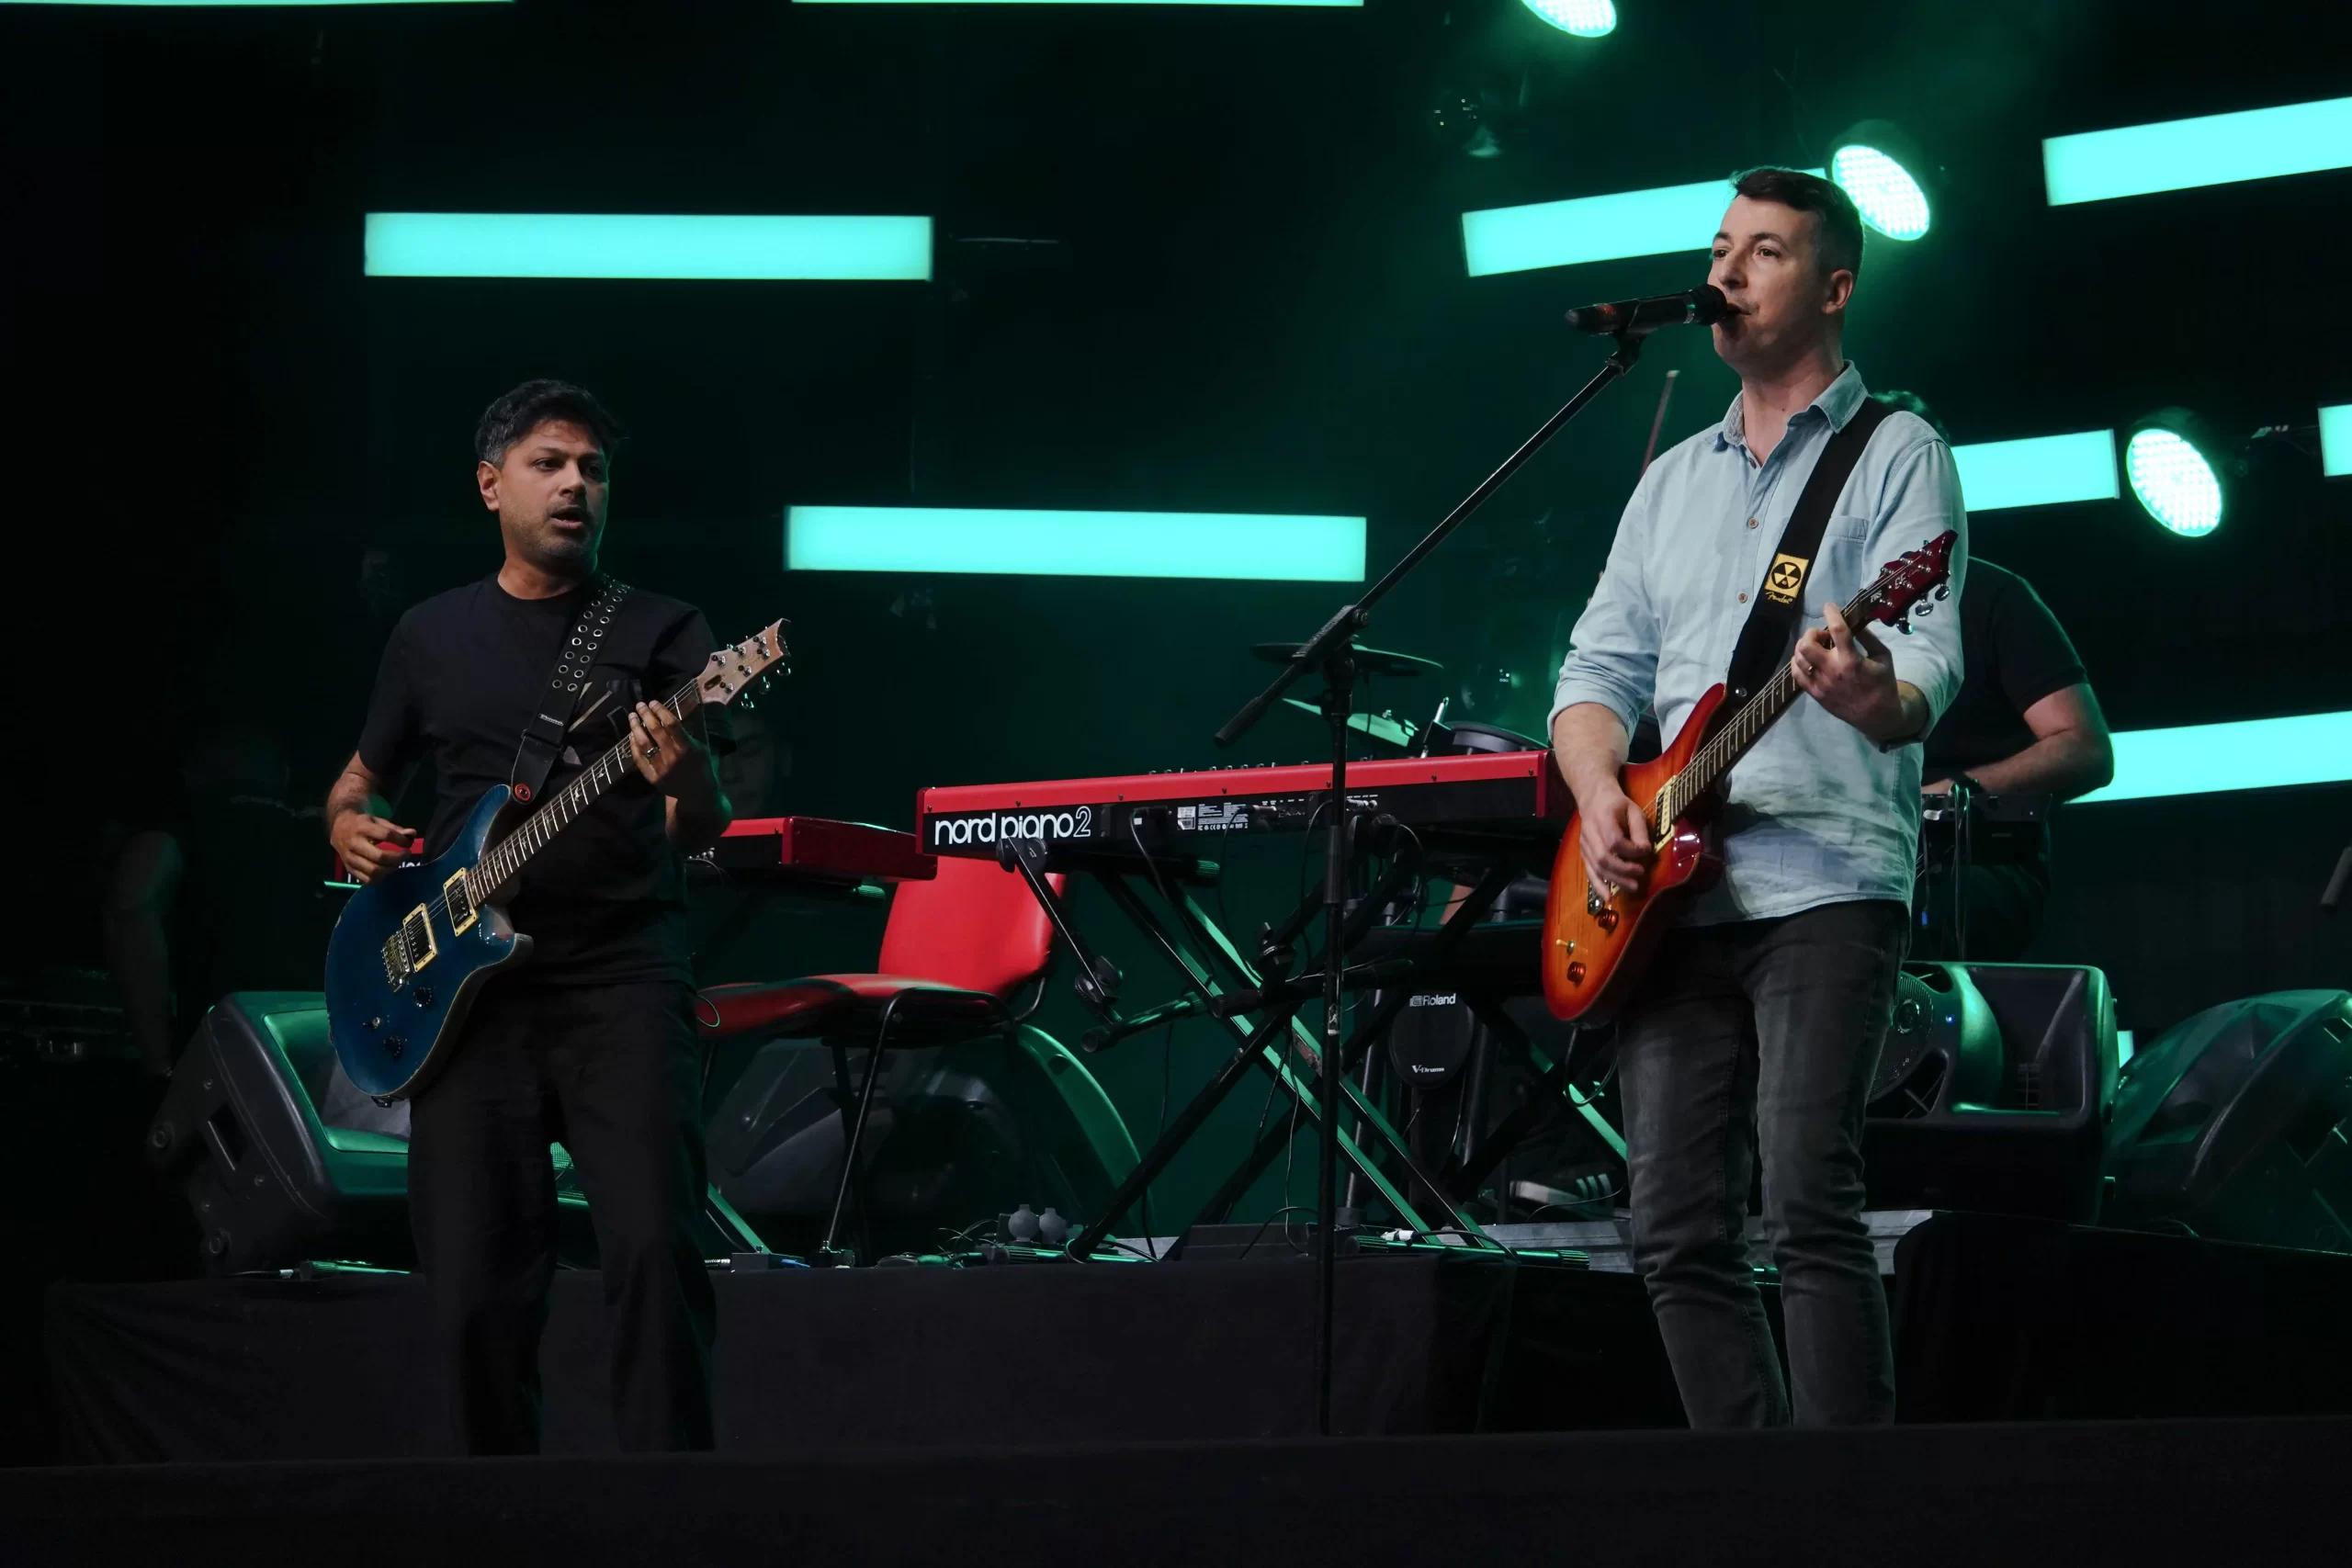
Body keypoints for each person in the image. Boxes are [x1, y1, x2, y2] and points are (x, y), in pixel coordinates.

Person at [1547, 169, 1967, 1427]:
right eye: (1721, 246)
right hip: (1667, 894)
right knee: (1673, 1225)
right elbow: (1595, 671)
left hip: (1826, 876)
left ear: (1833, 288)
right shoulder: (1672, 478)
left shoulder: (1896, 449)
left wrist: (1870, 692)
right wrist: (1598, 793)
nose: (1724, 271)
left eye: (1764, 251)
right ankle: (1751, 1500)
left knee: (1806, 1199)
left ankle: (1845, 1506)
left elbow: (1926, 670)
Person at [325, 379, 733, 1454]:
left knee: (654, 1252)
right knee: (473, 1287)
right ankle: (494, 1514)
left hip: (621, 974)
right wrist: (349, 826)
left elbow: (699, 827)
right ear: (489, 484)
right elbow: (358, 781)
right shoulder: (428, 634)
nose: (574, 485)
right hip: (469, 1000)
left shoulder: (663, 629)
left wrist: (687, 777)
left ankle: (672, 1506)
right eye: (549, 464)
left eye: (593, 469)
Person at [1871, 391, 2115, 960]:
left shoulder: (1996, 596)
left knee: (1877, 918)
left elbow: (2085, 748)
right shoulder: (1813, 610)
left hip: (1966, 863)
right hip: (1840, 857)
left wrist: (1953, 794)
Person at [104, 726, 340, 1078]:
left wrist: (159, 1060)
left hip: (220, 1045)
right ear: (282, 774)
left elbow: (132, 904)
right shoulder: (322, 825)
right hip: (324, 1044)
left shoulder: (182, 824)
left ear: (190, 776)